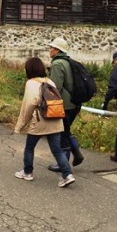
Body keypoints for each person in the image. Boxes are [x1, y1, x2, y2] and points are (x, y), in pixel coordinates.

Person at [14, 57, 76, 188]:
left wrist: (19, 126)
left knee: (30, 147)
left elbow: (28, 105)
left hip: (40, 121)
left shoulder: (31, 83)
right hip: (56, 119)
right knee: (57, 150)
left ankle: (27, 172)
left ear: (29, 70)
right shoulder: (50, 81)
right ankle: (67, 175)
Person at [46, 37, 85, 172]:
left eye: (51, 48)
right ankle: (76, 153)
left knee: (62, 133)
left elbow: (54, 88)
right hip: (74, 103)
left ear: (57, 50)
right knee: (66, 130)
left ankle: (63, 164)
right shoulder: (69, 62)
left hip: (64, 105)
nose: (50, 50)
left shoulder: (57, 64)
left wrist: (48, 105)